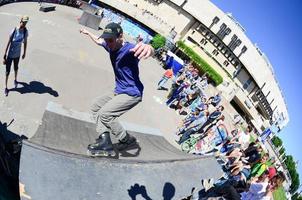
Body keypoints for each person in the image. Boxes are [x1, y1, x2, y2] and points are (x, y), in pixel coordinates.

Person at [80, 22, 154, 156]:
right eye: (107, 40)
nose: (108, 43)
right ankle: (109, 140)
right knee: (95, 107)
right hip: (119, 91)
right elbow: (98, 40)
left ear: (121, 36)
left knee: (105, 114)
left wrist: (148, 47)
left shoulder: (129, 50)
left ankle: (117, 142)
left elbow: (145, 49)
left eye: (111, 40)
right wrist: (88, 33)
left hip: (132, 93)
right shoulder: (110, 46)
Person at [3, 16, 29, 96]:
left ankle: (15, 80)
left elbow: (25, 42)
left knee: (16, 68)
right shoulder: (14, 30)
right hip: (10, 55)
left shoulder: (25, 31)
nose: (24, 24)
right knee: (7, 71)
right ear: (20, 20)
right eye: (23, 22)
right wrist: (5, 54)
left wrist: (24, 53)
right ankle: (6, 87)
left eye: (26, 22)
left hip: (17, 55)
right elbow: (8, 42)